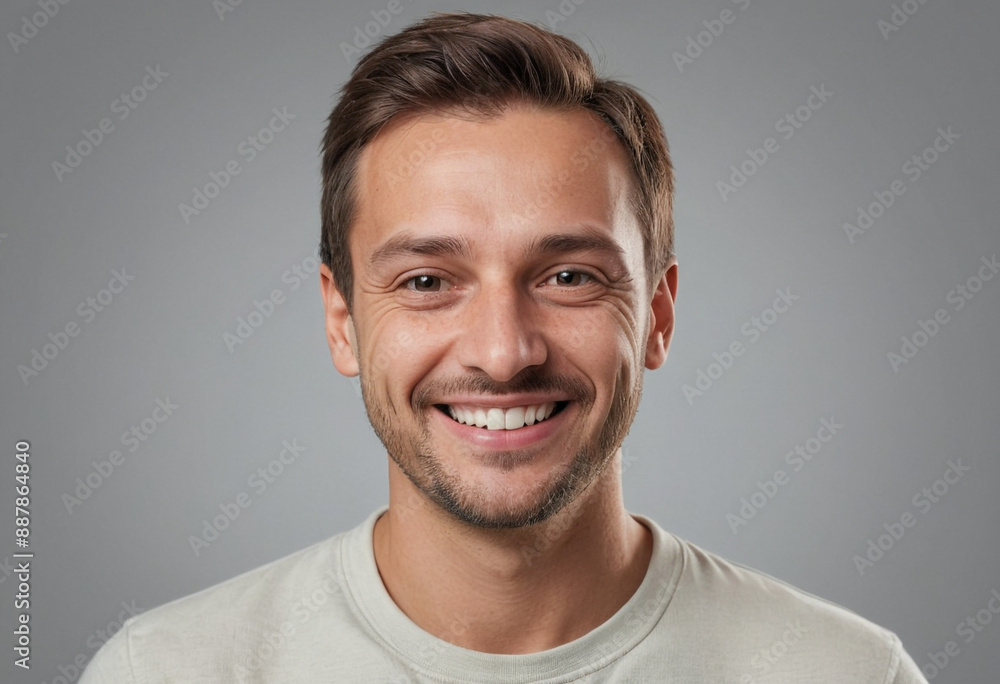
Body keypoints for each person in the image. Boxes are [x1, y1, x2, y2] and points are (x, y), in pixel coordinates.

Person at [82, 12, 927, 683]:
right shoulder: (166, 671)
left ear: (659, 315)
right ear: (341, 320)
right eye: (425, 282)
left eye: (568, 277)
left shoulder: (846, 673)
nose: (503, 352)